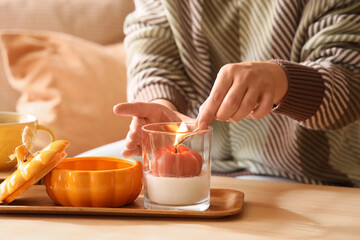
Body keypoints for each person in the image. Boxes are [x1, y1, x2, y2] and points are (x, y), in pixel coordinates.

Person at [111, 0, 360, 187]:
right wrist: (161, 105)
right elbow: (152, 44)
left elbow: (351, 82)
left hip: (316, 176)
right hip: (209, 168)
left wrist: (282, 81)